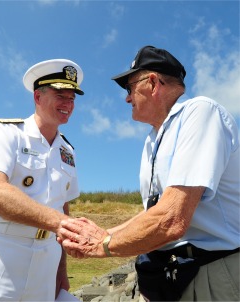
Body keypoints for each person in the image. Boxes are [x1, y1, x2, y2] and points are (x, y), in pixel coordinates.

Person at [58, 46, 240, 301]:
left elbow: (171, 219)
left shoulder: (200, 113)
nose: (127, 98)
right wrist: (105, 234)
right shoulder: (152, 140)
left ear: (152, 83)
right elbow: (153, 212)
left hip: (213, 273)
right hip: (171, 275)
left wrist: (101, 245)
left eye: (130, 87)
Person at [0, 59, 84, 301]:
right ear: (38, 97)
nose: (68, 103)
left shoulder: (68, 152)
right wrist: (60, 223)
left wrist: (61, 268)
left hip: (47, 261)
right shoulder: (7, 134)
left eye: (72, 98)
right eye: (60, 95)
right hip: (1, 254)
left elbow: (63, 206)